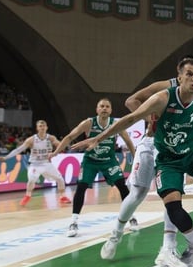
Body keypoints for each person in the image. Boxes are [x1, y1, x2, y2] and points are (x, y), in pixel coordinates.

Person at [82, 57, 193, 267]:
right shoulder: (163, 89)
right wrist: (152, 119)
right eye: (188, 74)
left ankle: (168, 248)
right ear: (179, 75)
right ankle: (115, 235)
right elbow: (131, 103)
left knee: (172, 196)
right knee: (137, 194)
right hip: (152, 143)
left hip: (177, 148)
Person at [51, 98, 135, 237]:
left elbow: (128, 141)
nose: (104, 108)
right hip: (90, 160)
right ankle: (74, 222)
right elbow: (70, 136)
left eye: (107, 106)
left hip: (109, 161)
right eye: (101, 106)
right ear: (97, 109)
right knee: (81, 187)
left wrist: (136, 157)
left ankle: (131, 217)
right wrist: (55, 152)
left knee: (122, 185)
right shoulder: (89, 123)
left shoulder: (116, 124)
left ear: (111, 110)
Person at [0, 120, 71, 206]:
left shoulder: (51, 138)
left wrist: (63, 145)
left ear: (46, 128)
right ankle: (27, 196)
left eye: (43, 126)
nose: (42, 128)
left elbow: (60, 146)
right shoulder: (31, 140)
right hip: (35, 164)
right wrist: (6, 157)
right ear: (37, 128)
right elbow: (19, 149)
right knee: (32, 180)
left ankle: (62, 197)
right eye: (40, 126)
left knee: (60, 179)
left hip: (47, 163)